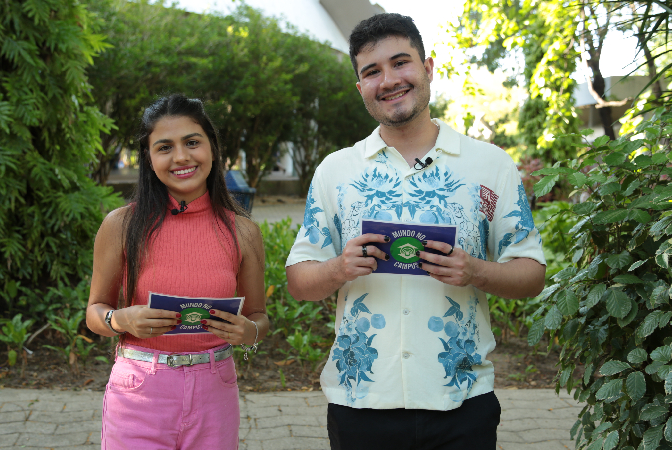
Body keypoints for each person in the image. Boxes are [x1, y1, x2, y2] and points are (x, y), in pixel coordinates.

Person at [285, 13, 546, 450]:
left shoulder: (489, 165)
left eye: (400, 63)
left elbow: (532, 274)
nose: (388, 80)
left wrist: (476, 271)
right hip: (360, 400)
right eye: (371, 72)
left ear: (427, 68)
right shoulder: (336, 171)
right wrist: (338, 269)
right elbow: (298, 281)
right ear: (360, 88)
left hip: (462, 400)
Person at [86, 94, 268, 450]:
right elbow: (95, 313)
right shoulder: (121, 225)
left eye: (192, 142)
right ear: (149, 157)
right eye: (165, 147)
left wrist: (249, 331)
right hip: (138, 393)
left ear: (213, 149)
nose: (181, 157)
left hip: (215, 392)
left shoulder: (243, 232)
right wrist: (122, 320)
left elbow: (259, 316)